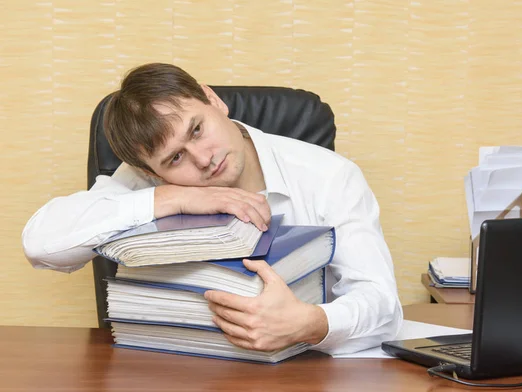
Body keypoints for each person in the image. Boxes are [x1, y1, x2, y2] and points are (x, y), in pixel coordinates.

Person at [22, 63, 402, 355]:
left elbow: (382, 303)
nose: (203, 159)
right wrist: (170, 198)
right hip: (178, 370)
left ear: (212, 100)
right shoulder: (145, 181)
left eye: (197, 130)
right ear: (148, 170)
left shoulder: (329, 176)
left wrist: (313, 322)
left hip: (302, 373)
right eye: (175, 158)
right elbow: (41, 243)